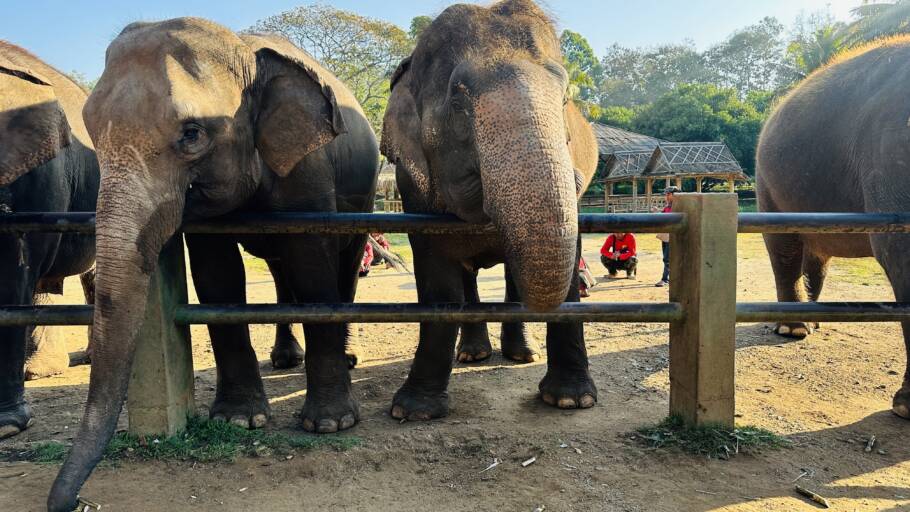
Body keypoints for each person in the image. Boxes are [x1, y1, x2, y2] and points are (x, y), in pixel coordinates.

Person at [654, 186, 678, 287]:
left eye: (668, 194)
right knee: (666, 257)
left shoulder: (678, 206)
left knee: (668, 258)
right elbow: (663, 215)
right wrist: (658, 212)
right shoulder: (668, 206)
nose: (666, 196)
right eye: (666, 194)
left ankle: (665, 279)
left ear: (674, 195)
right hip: (667, 235)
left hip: (673, 235)